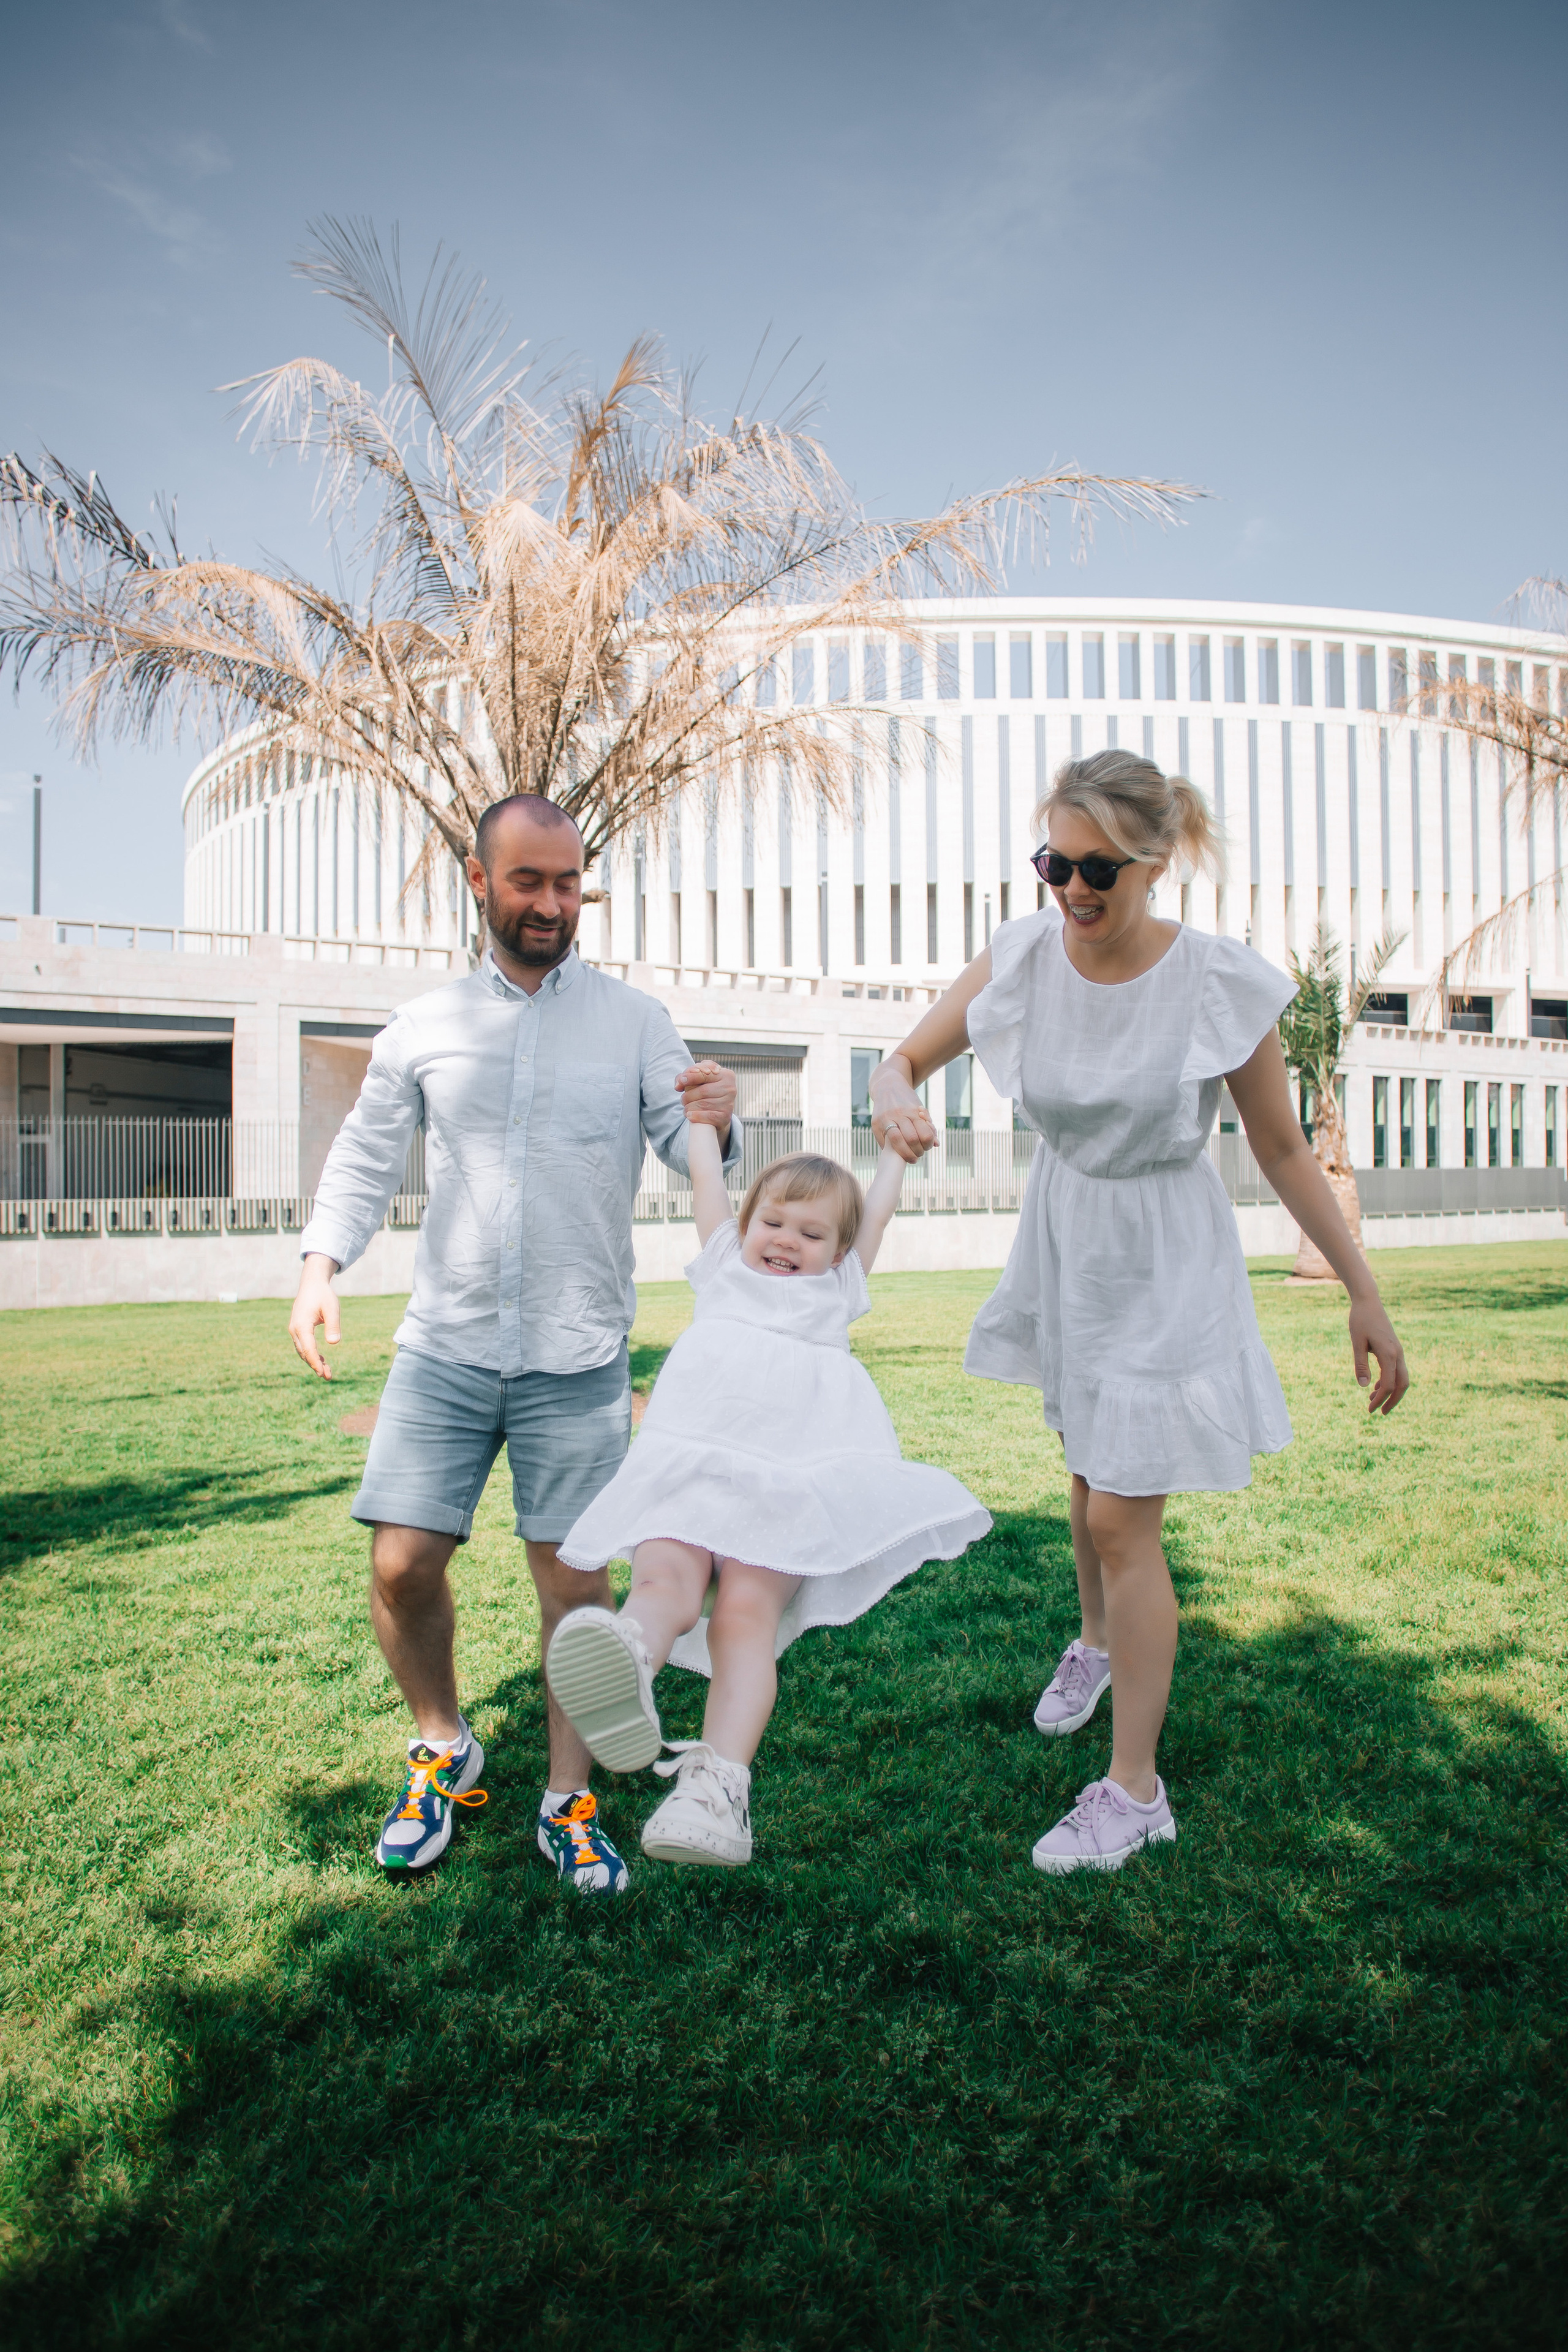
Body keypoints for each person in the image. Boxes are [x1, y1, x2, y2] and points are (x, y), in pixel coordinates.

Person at [871, 748, 1410, 1875]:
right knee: (1087, 1465)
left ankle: (1135, 1790)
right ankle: (1097, 1642)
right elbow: (909, 1055)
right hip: (1070, 1237)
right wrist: (892, 1090)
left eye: (1098, 869)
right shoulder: (1024, 954)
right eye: (1052, 863)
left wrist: (1363, 1289)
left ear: (1155, 863)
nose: (1072, 890)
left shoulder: (1214, 981)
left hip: (1167, 1252)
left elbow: (1278, 1147)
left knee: (1123, 1519)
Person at [287, 793, 741, 1895]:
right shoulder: (424, 1025)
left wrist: (720, 1117)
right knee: (401, 1564)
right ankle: (443, 1747)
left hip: (578, 1352)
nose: (552, 902)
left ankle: (567, 1798)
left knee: (573, 1588)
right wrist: (319, 1269)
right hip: (444, 1346)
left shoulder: (635, 1021)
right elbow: (363, 1154)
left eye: (569, 882)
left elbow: (690, 1139)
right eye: (529, 881)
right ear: (481, 884)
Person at [540, 1128, 992, 1866]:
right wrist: (697, 1121)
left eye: (812, 1233)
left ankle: (717, 1791)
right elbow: (705, 1179)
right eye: (772, 1223)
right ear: (745, 1227)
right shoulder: (723, 1265)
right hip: (690, 1465)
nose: (786, 1241)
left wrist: (894, 1164)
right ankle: (629, 1653)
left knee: (745, 1619)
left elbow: (872, 1219)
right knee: (664, 1583)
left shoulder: (839, 1289)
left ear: (838, 1254)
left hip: (788, 1480)